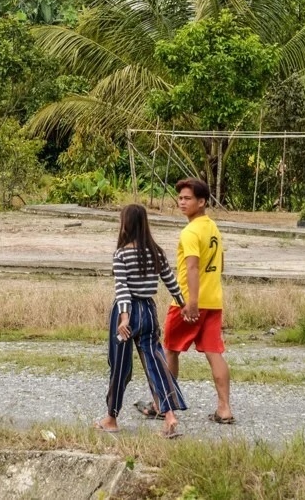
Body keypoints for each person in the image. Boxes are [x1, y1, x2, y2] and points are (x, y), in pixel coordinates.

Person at [136, 177, 235, 424]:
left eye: (188, 198)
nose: (182, 202)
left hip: (188, 302)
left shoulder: (190, 232)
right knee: (214, 352)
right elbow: (220, 264)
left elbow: (192, 268)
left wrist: (190, 302)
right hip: (213, 301)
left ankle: (162, 404)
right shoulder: (212, 227)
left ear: (201, 202)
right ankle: (224, 408)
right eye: (180, 197)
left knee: (170, 350)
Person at [96, 204, 187, 439]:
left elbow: (123, 289)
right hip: (148, 310)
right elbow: (170, 280)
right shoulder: (155, 252)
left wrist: (124, 317)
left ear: (126, 223)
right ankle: (169, 417)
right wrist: (182, 303)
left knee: (119, 367)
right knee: (156, 364)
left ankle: (111, 418)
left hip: (126, 313)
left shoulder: (121, 254)